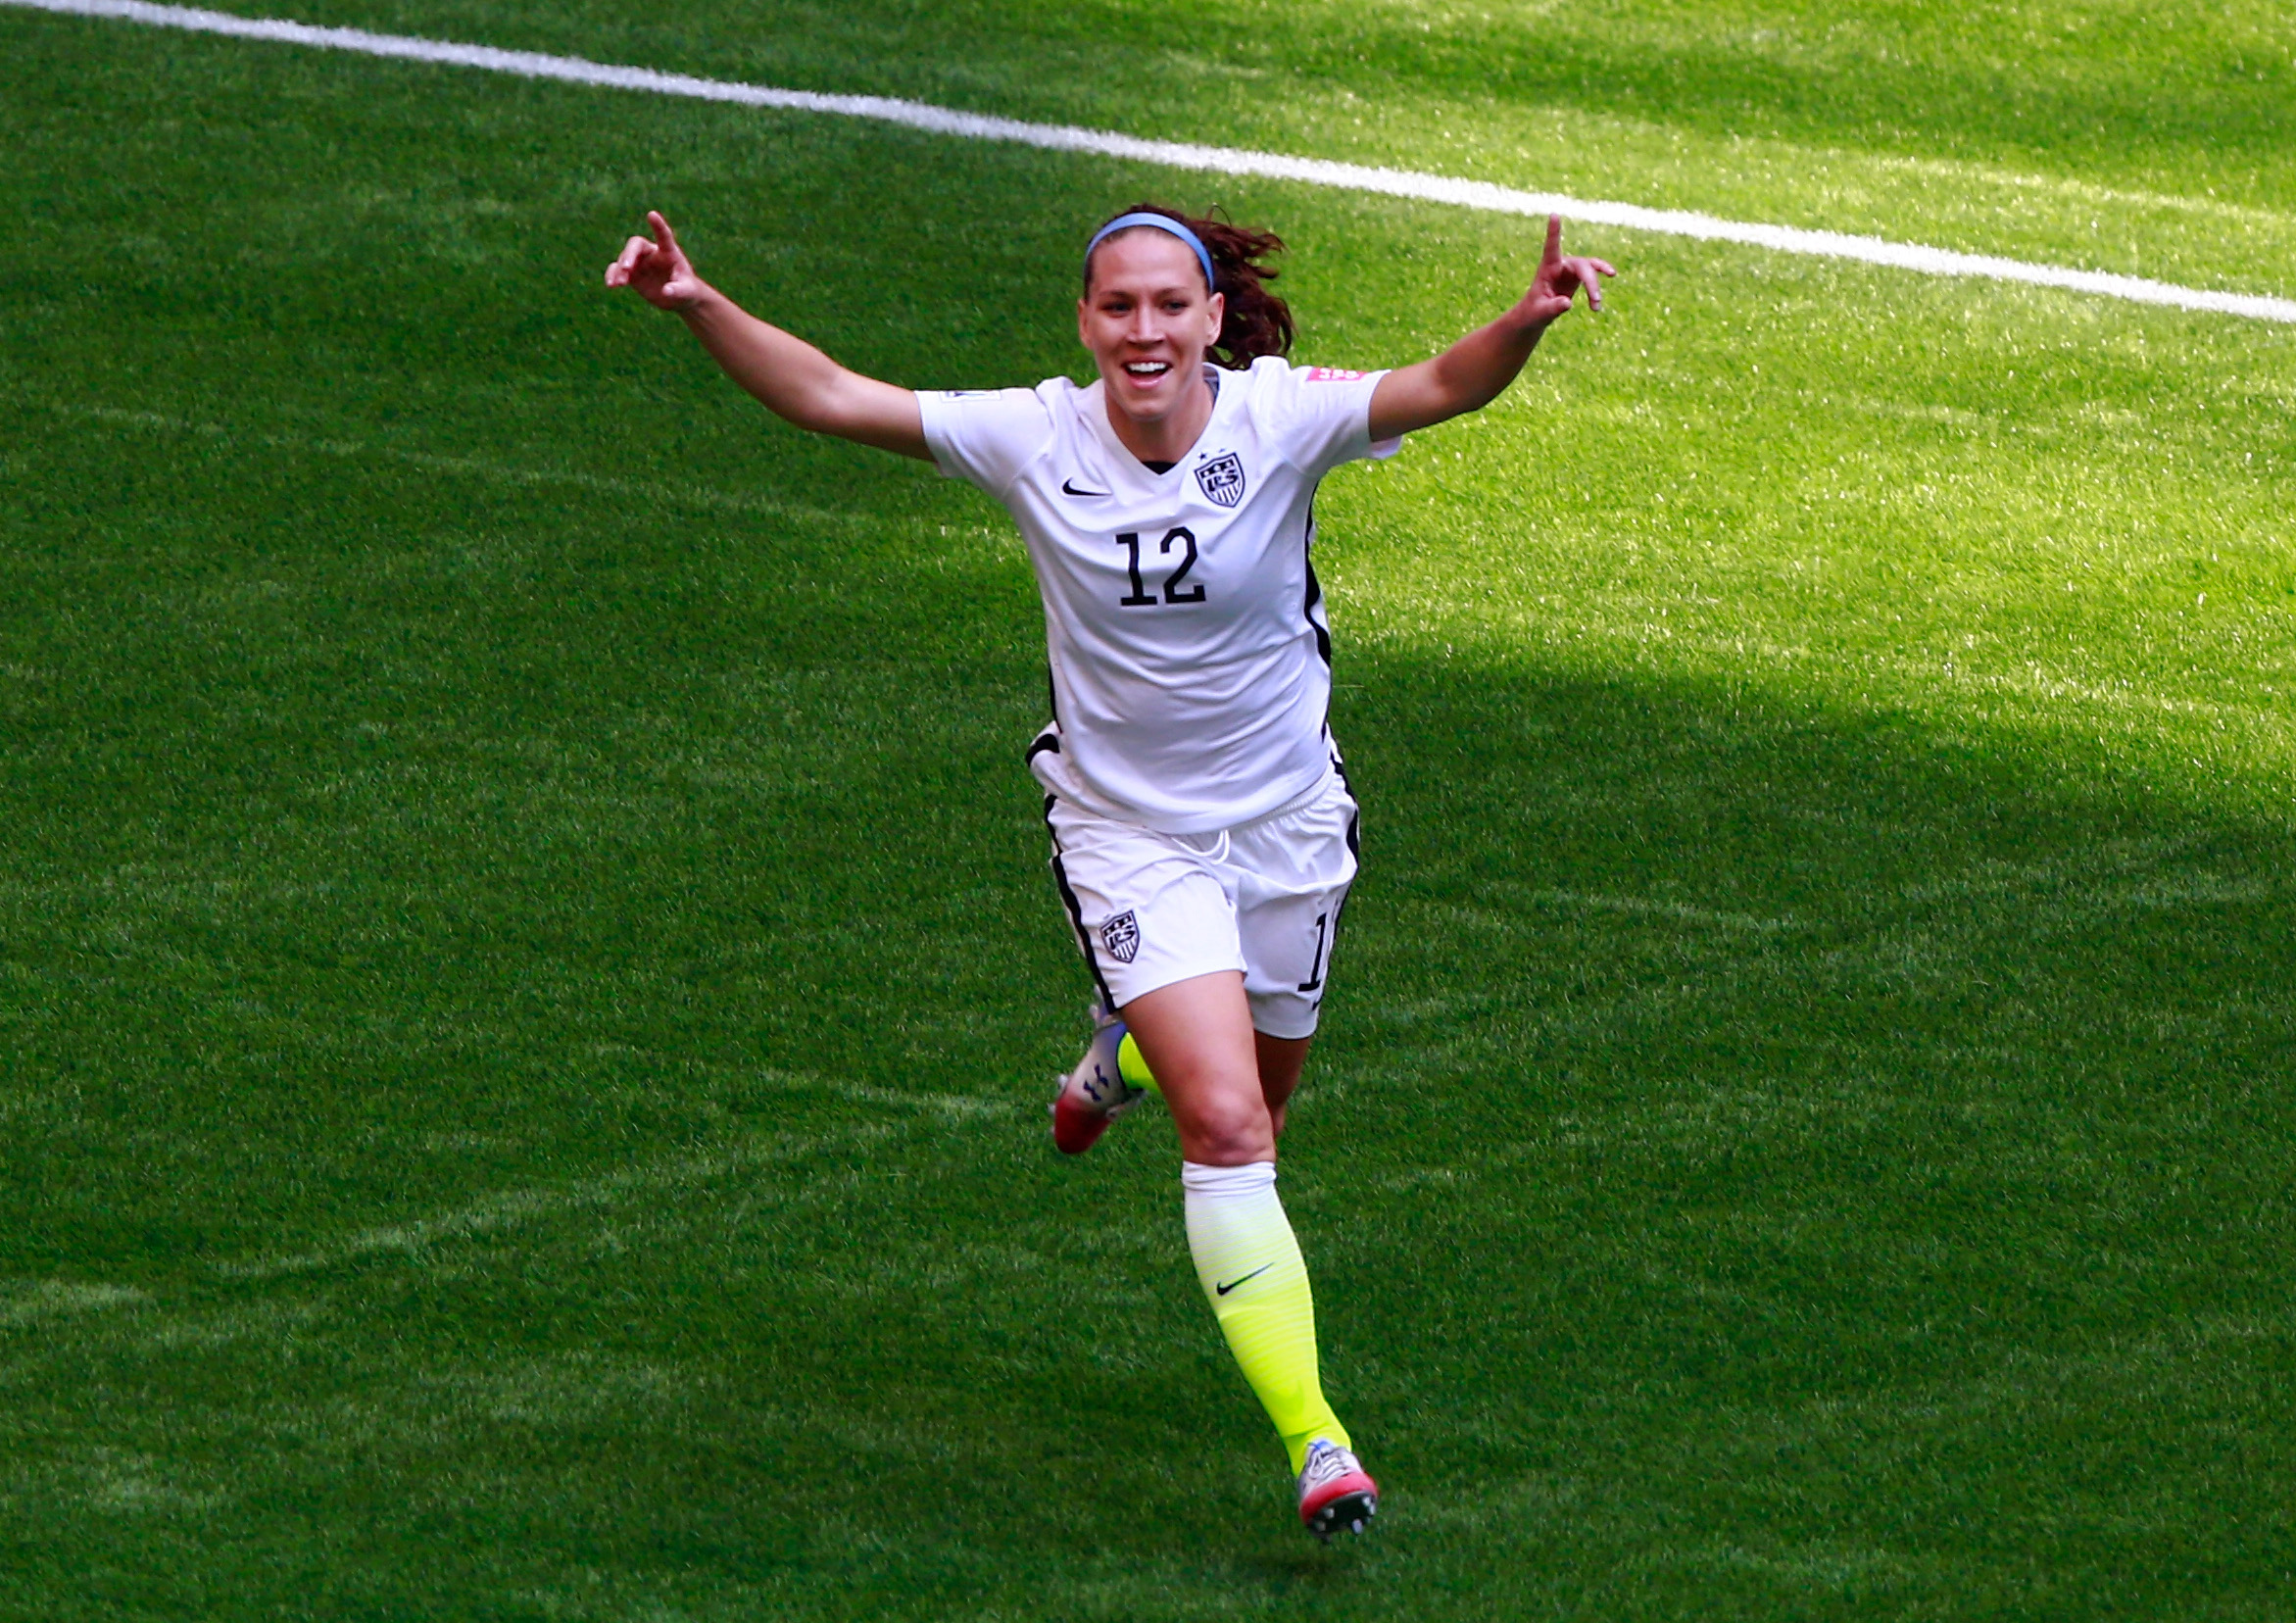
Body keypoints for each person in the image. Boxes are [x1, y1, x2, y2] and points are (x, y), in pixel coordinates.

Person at [606, 200, 1615, 1539]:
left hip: (1290, 829)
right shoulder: (1036, 436)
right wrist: (699, 303)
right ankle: (1319, 1445)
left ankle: (1120, 1058)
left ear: (1210, 320)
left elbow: (1437, 386)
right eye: (1117, 307)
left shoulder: (1281, 419)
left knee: (1258, 1101)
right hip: (1129, 839)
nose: (1143, 329)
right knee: (1231, 1133)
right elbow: (840, 397)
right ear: (1086, 325)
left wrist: (1526, 321)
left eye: (1167, 306)